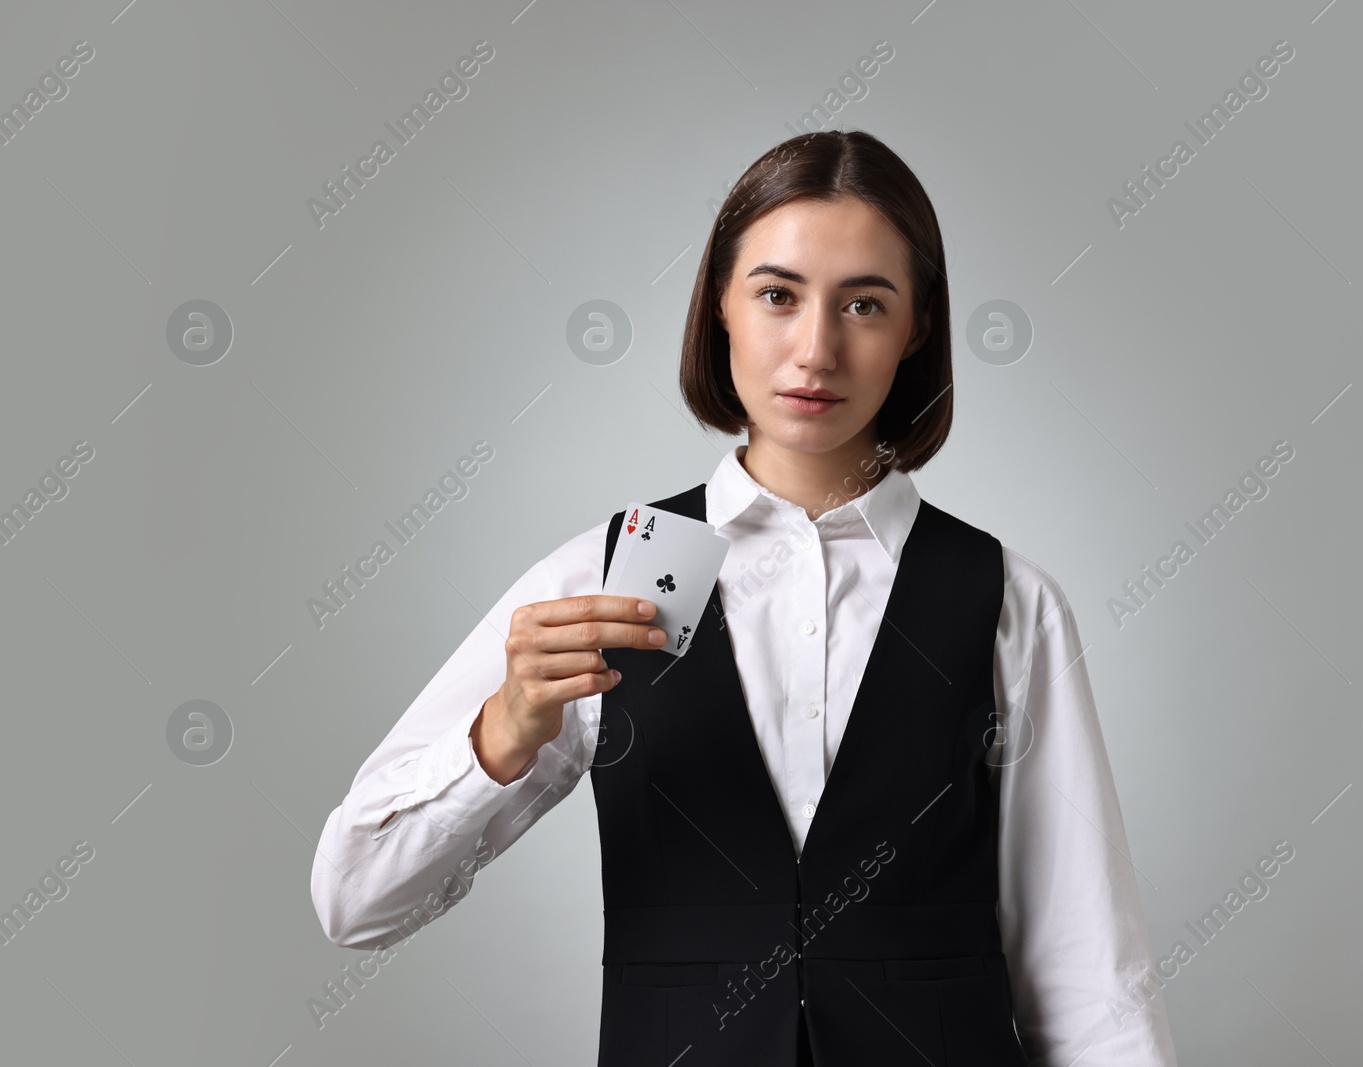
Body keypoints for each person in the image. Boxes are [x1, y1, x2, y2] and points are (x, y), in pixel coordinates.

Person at [311, 129, 1178, 1066]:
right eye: (777, 295)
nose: (817, 349)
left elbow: (1091, 973)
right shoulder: (626, 576)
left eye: (865, 303)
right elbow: (354, 903)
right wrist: (503, 733)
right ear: (719, 305)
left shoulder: (1005, 600)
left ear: (918, 326)